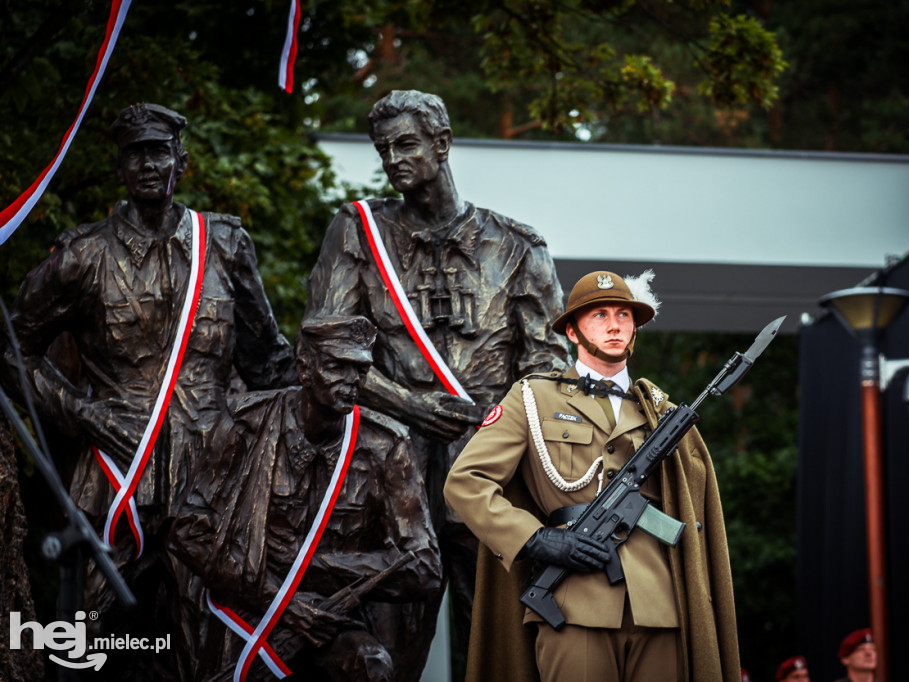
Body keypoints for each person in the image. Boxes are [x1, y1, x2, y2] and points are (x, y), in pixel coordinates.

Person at [3, 103, 297, 679]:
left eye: (158, 151)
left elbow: (269, 365)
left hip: (210, 480)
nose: (146, 164)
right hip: (114, 475)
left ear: (180, 162)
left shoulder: (226, 245)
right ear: (119, 166)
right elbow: (13, 350)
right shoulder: (82, 255)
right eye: (134, 153)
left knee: (210, 649)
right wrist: (82, 414)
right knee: (80, 644)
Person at [304, 89, 569, 675]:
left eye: (406, 144)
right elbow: (326, 345)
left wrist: (500, 426)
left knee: (500, 653)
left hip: (491, 480)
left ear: (441, 145)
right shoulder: (357, 231)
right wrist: (409, 404)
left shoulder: (517, 246)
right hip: (387, 479)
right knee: (384, 657)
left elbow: (550, 367)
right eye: (383, 149)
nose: (393, 159)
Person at [444, 269, 741, 682]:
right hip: (573, 602)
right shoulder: (533, 397)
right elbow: (466, 481)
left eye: (624, 314)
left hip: (659, 603)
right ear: (571, 331)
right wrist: (535, 539)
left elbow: (696, 506)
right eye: (599, 314)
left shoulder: (660, 412)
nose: (615, 324)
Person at [170, 314, 442, 681]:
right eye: (337, 367)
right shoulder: (245, 422)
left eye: (360, 370)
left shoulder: (386, 445)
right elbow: (188, 530)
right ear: (304, 367)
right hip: (250, 611)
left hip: (334, 620)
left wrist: (318, 566)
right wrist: (281, 602)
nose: (351, 382)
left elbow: (425, 566)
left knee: (372, 664)